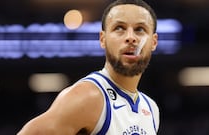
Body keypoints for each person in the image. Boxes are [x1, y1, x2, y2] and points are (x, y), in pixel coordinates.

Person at [17, 0, 159, 134]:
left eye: (140, 29)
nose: (131, 37)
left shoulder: (151, 108)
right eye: (119, 28)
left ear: (153, 42)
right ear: (103, 39)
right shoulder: (87, 97)